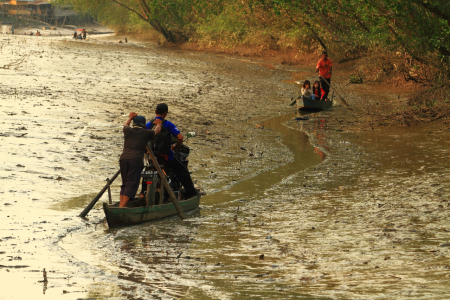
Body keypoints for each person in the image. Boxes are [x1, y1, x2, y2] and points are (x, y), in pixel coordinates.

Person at [144, 103, 198, 199]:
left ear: (155, 112)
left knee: (146, 170)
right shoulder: (168, 124)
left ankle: (142, 192)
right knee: (182, 171)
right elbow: (180, 138)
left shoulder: (148, 124)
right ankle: (191, 193)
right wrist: (176, 146)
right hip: (165, 156)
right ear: (165, 113)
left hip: (151, 156)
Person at [119, 112, 162, 207]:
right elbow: (157, 131)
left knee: (125, 184)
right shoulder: (145, 133)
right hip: (135, 160)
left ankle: (120, 206)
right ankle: (122, 207)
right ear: (143, 126)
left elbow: (125, 125)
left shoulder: (127, 130)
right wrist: (159, 123)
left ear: (133, 124)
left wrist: (130, 118)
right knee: (131, 184)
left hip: (123, 159)